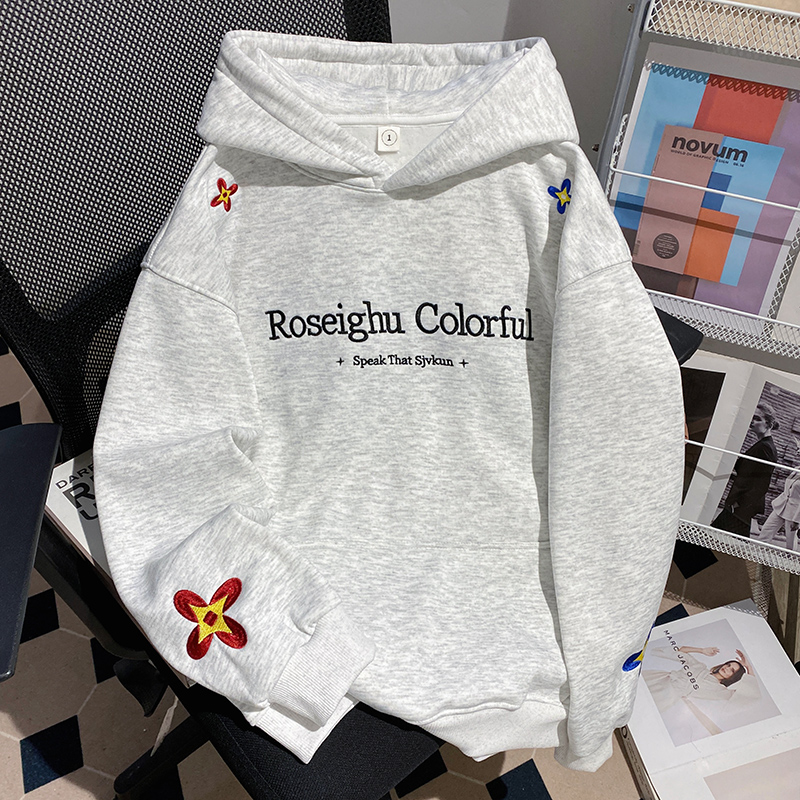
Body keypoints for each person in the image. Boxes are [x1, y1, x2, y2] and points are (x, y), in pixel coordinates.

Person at [712, 403, 779, 537]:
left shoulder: (766, 448)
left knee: (716, 539)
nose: (752, 421)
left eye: (757, 419)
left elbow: (762, 484)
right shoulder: (761, 445)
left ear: (769, 425)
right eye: (752, 418)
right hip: (739, 505)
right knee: (722, 541)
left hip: (740, 507)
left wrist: (738, 504)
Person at [642, 644, 758, 714]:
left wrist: (749, 667)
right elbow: (680, 652)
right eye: (728, 665)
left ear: (733, 677)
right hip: (658, 679)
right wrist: (701, 650)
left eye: (731, 670)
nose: (727, 668)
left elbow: (749, 695)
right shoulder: (700, 666)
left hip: (666, 697)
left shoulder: (720, 691)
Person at [755, 442, 800, 551]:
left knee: (790, 542)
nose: (798, 452)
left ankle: (791, 559)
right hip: (781, 506)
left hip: (794, 513)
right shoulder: (797, 469)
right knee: (766, 530)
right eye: (798, 449)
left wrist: (797, 520)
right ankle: (756, 551)